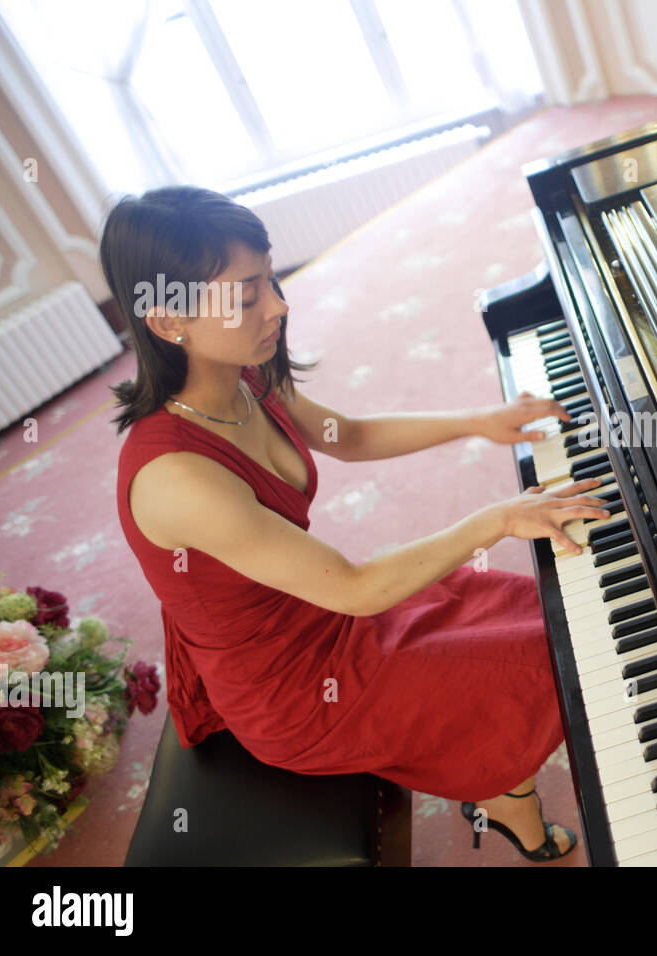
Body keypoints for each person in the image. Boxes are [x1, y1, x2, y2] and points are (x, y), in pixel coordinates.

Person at [107, 186, 610, 861]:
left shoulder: (243, 376)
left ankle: (500, 790)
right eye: (249, 293)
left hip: (327, 610)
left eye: (271, 277)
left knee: (551, 620)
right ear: (171, 323)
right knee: (544, 665)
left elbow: (349, 435)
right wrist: (497, 519)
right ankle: (506, 798)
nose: (281, 305)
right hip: (294, 685)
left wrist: (479, 422)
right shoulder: (176, 477)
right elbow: (354, 587)